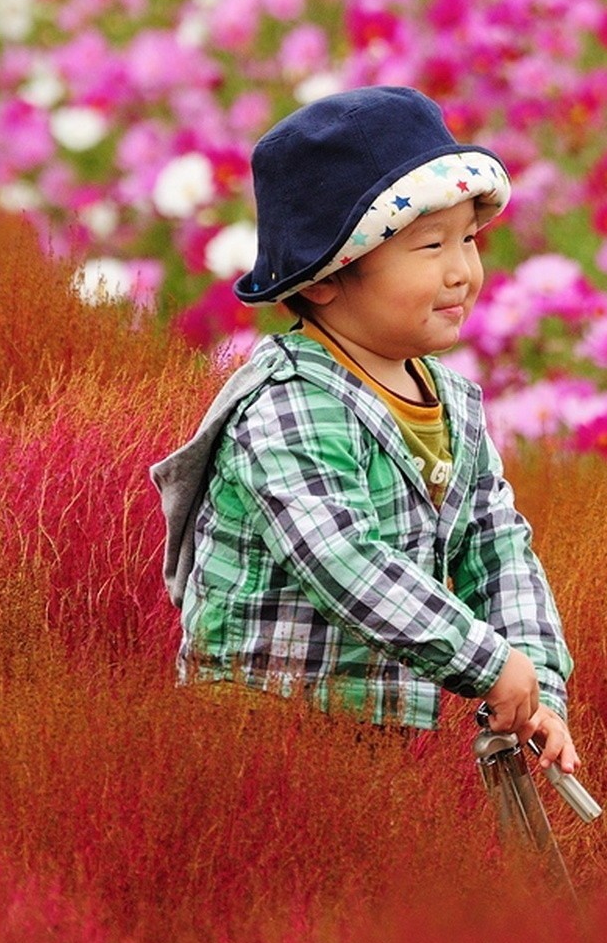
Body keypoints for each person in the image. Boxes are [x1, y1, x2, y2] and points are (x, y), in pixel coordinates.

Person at [150, 85, 579, 773]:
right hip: (258, 727)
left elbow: (497, 549)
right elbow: (341, 558)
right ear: (326, 276)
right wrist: (485, 661)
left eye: (468, 238)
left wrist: (537, 682)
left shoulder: (456, 405)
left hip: (373, 733)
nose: (461, 270)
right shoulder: (287, 403)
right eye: (429, 244)